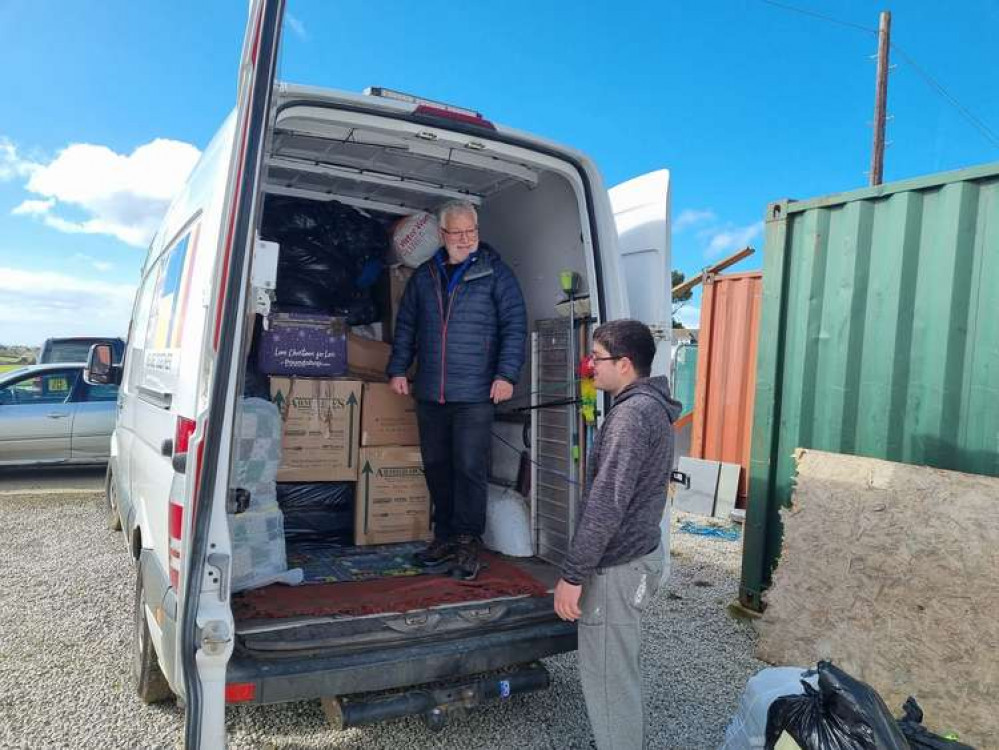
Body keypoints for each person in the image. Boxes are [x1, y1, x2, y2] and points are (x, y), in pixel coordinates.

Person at [553, 319, 681, 750]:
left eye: (597, 358)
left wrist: (573, 576)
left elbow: (606, 505)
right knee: (620, 670)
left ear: (625, 364)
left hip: (619, 568)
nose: (590, 367)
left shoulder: (630, 417)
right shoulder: (651, 407)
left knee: (609, 679)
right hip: (638, 556)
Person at [387, 199, 527, 581]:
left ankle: (468, 541)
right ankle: (445, 536)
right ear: (443, 235)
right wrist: (398, 368)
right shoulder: (424, 276)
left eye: (472, 232)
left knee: (469, 468)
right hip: (432, 391)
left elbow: (514, 326)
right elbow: (407, 327)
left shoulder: (496, 274)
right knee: (436, 467)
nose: (466, 239)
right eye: (458, 233)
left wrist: (507, 374)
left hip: (476, 392)